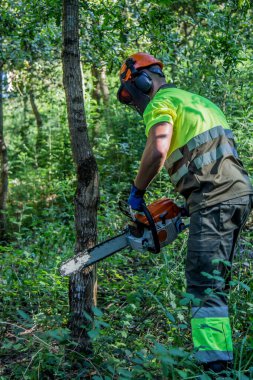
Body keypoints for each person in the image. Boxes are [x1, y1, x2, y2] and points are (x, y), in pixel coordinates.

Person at [117, 52, 253, 375]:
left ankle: (215, 368)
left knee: (204, 286)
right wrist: (185, 205)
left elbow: (158, 148)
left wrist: (137, 192)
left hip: (215, 198)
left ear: (143, 82)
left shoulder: (161, 104)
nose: (137, 105)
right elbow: (210, 159)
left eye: (133, 96)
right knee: (216, 279)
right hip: (238, 193)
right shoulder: (197, 102)